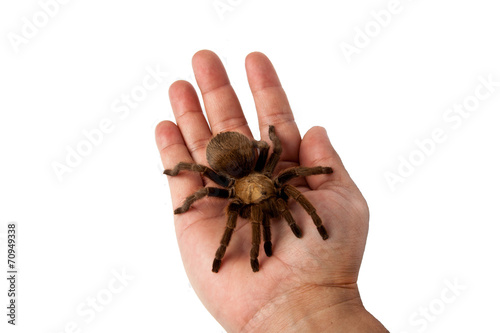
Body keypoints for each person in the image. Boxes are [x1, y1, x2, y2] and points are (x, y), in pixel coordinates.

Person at [155, 50, 388, 332]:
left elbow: (272, 147)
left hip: (254, 171)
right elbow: (257, 152)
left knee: (290, 181)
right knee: (213, 189)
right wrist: (188, 202)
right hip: (237, 167)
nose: (273, 203)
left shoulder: (276, 180)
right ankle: (235, 255)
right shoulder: (235, 192)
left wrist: (315, 200)